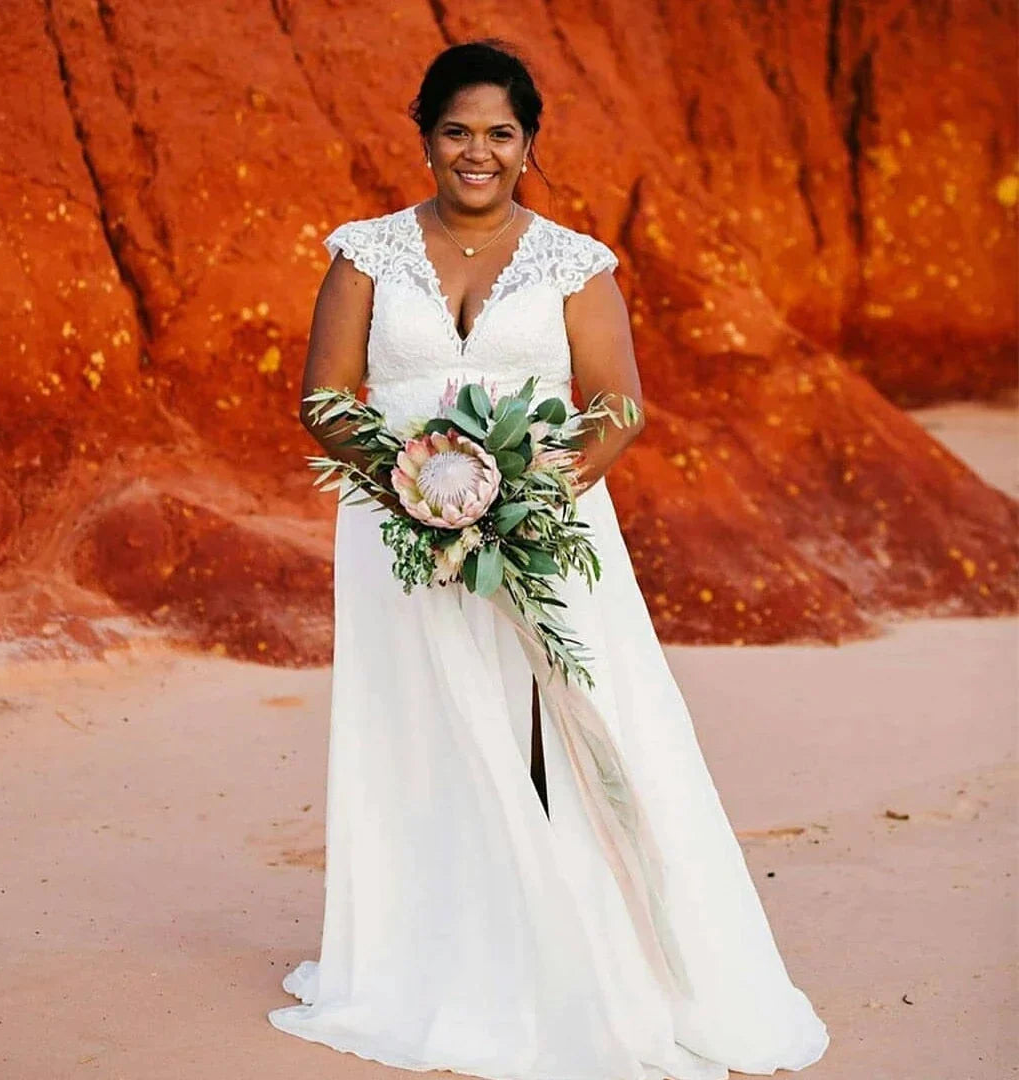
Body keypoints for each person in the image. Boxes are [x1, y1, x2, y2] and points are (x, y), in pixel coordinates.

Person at [268, 39, 829, 1080]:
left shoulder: (573, 261)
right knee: (428, 728)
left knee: (564, 722)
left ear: (527, 144)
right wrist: (411, 478)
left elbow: (618, 405)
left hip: (549, 523)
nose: (477, 153)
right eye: (456, 132)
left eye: (499, 134)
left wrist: (526, 493)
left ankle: (585, 943)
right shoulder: (365, 254)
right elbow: (324, 398)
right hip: (398, 532)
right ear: (424, 135)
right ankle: (448, 948)